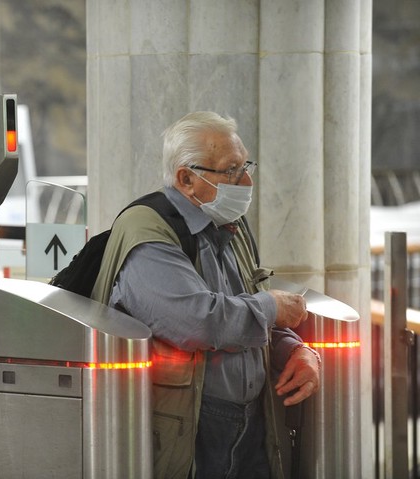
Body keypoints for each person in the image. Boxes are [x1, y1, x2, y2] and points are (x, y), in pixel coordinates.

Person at [90, 111, 320, 479]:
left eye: (247, 166)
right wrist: (272, 308)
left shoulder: (229, 223)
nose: (246, 181)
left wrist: (293, 348)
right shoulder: (148, 231)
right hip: (187, 424)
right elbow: (197, 321)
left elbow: (246, 307)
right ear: (186, 179)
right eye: (231, 170)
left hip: (254, 424)